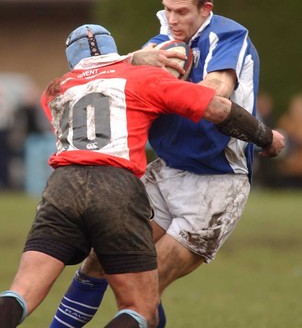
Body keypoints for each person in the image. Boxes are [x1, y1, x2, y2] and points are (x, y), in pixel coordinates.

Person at [0, 24, 284, 328]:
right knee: (140, 309)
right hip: (116, 187)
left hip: (61, 187)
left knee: (21, 292)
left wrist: (137, 58)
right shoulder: (143, 77)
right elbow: (217, 107)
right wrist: (267, 138)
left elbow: (98, 84)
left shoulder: (56, 89)